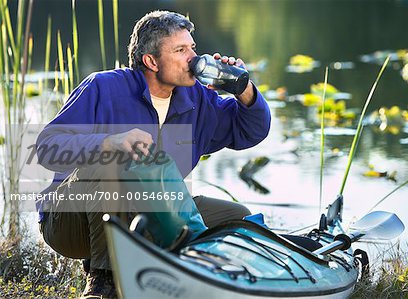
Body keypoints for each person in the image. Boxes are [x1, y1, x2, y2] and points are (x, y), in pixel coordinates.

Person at [36, 10, 270, 299]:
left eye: (193, 48)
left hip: (149, 209)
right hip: (72, 220)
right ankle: (103, 281)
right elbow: (48, 146)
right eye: (181, 50)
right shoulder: (104, 87)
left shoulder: (197, 99)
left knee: (236, 219)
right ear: (151, 60)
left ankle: (207, 281)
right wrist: (109, 142)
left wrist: (243, 89)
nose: (194, 59)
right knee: (114, 160)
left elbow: (250, 132)